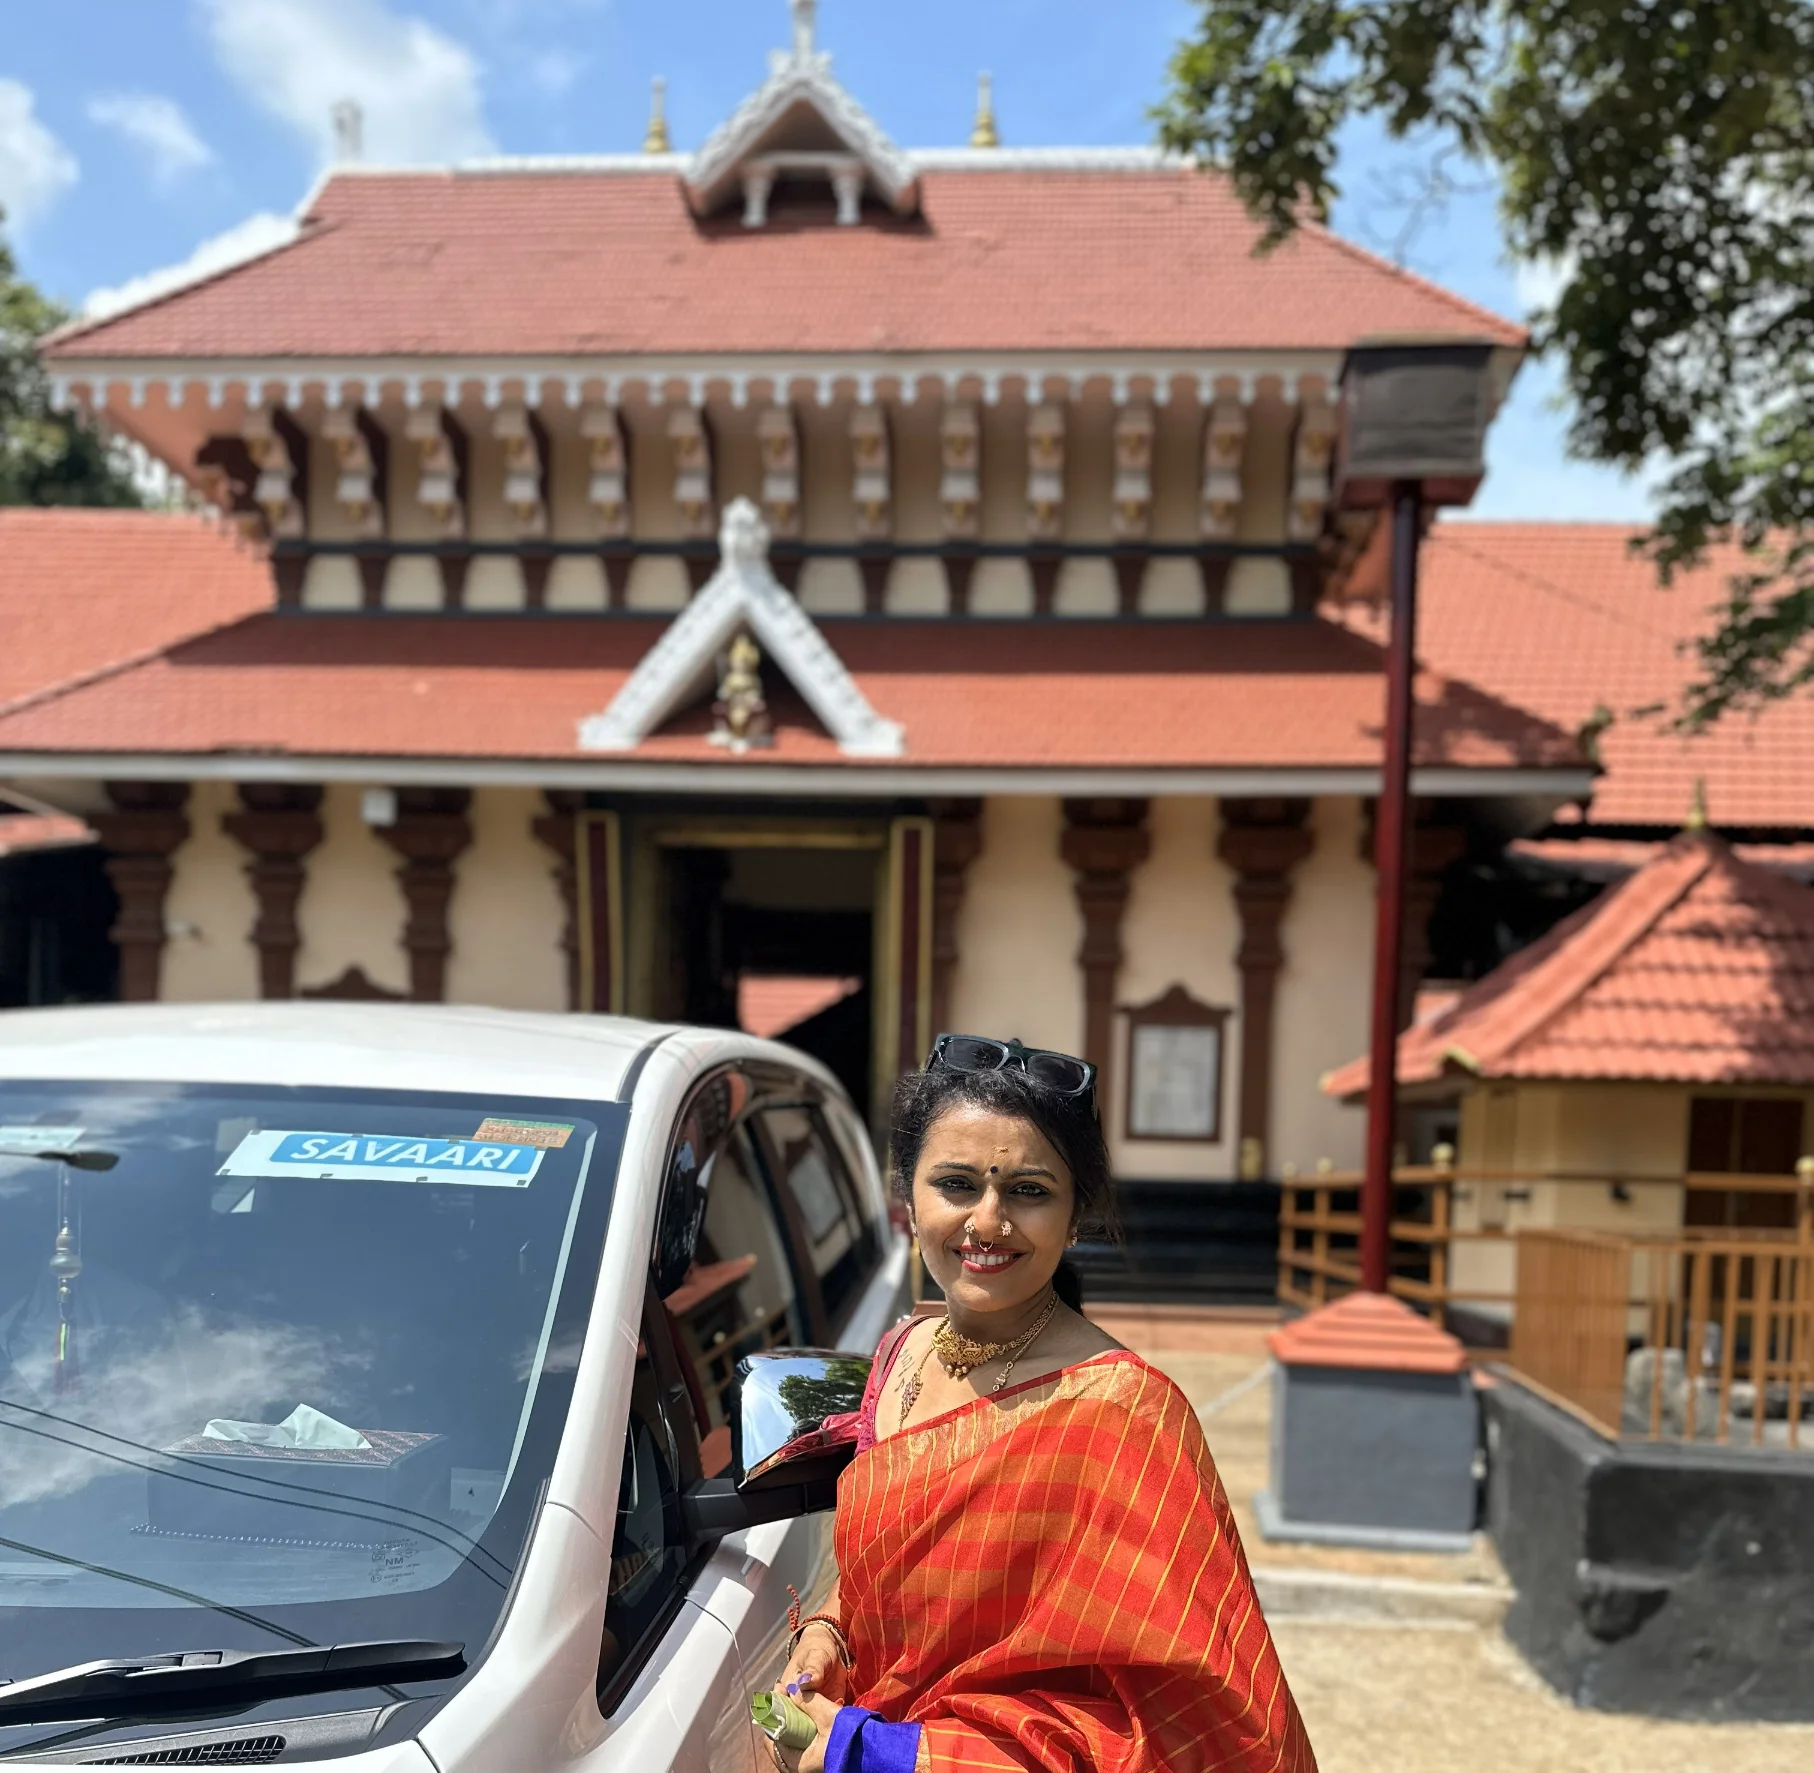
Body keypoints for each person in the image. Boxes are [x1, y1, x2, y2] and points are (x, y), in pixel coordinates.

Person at [767, 1035, 1317, 1773]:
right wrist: (830, 1632)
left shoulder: (1122, 1414)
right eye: (956, 1184)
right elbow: (892, 1580)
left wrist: (875, 1752)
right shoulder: (901, 1354)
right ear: (908, 1196)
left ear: (1076, 1213)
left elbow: (1205, 1724)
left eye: (1028, 1190)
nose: (987, 1222)